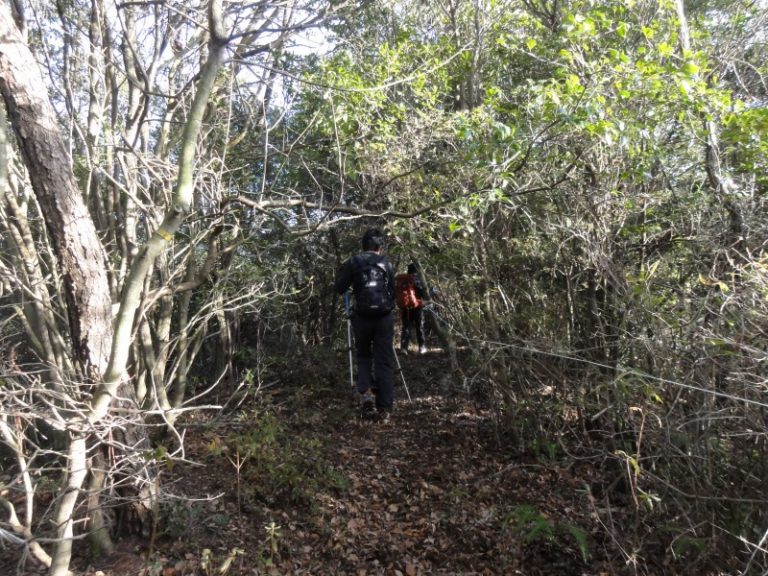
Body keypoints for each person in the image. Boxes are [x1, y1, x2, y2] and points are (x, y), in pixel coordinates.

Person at [335, 228, 396, 418]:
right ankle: (385, 407)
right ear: (379, 245)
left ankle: (367, 393)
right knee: (384, 361)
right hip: (384, 318)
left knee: (363, 356)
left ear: (364, 244)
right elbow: (392, 291)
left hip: (361, 318)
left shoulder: (354, 262)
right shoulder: (386, 263)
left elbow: (340, 288)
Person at [398, 263, 427, 354]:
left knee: (406, 327)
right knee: (419, 327)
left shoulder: (403, 280)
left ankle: (404, 348)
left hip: (405, 308)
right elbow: (421, 292)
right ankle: (421, 347)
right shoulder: (416, 279)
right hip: (417, 306)